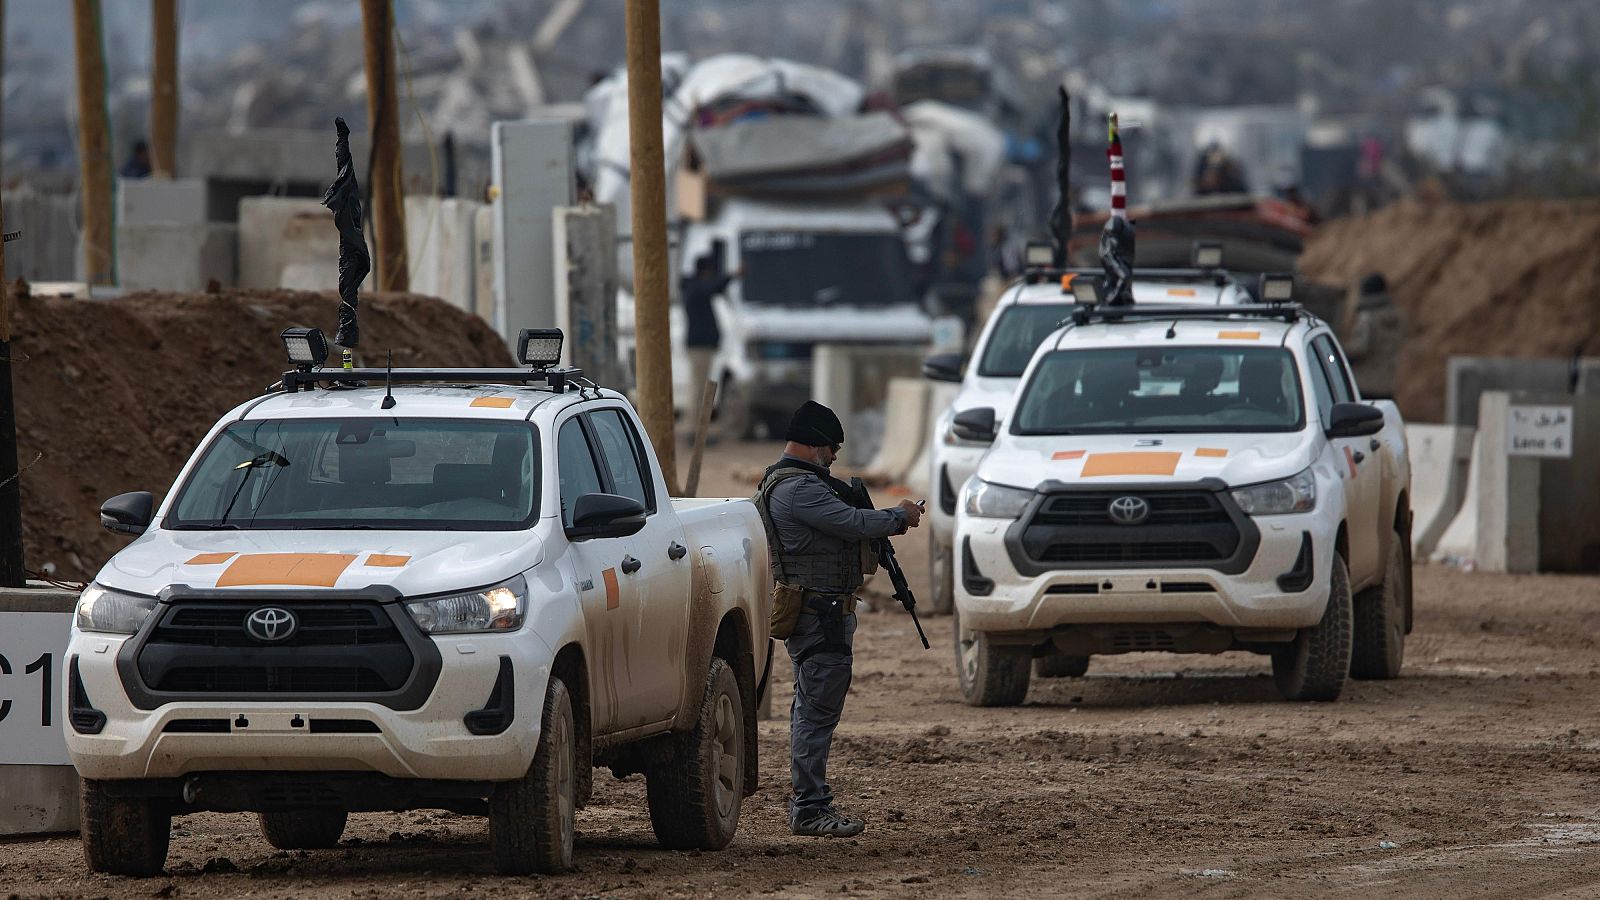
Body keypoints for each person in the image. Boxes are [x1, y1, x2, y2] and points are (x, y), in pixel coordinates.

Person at [754, 401, 922, 838]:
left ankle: (809, 802)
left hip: (819, 611)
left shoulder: (796, 483)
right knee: (816, 712)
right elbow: (851, 522)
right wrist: (897, 517)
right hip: (819, 613)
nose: (833, 457)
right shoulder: (800, 490)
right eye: (831, 448)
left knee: (812, 708)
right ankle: (810, 807)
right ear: (813, 445)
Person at [681, 256, 738, 425]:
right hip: (700, 347)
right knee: (698, 389)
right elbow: (712, 287)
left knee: (701, 388)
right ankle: (694, 428)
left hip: (701, 346)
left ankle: (697, 428)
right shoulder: (695, 287)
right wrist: (731, 275)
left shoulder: (693, 287)